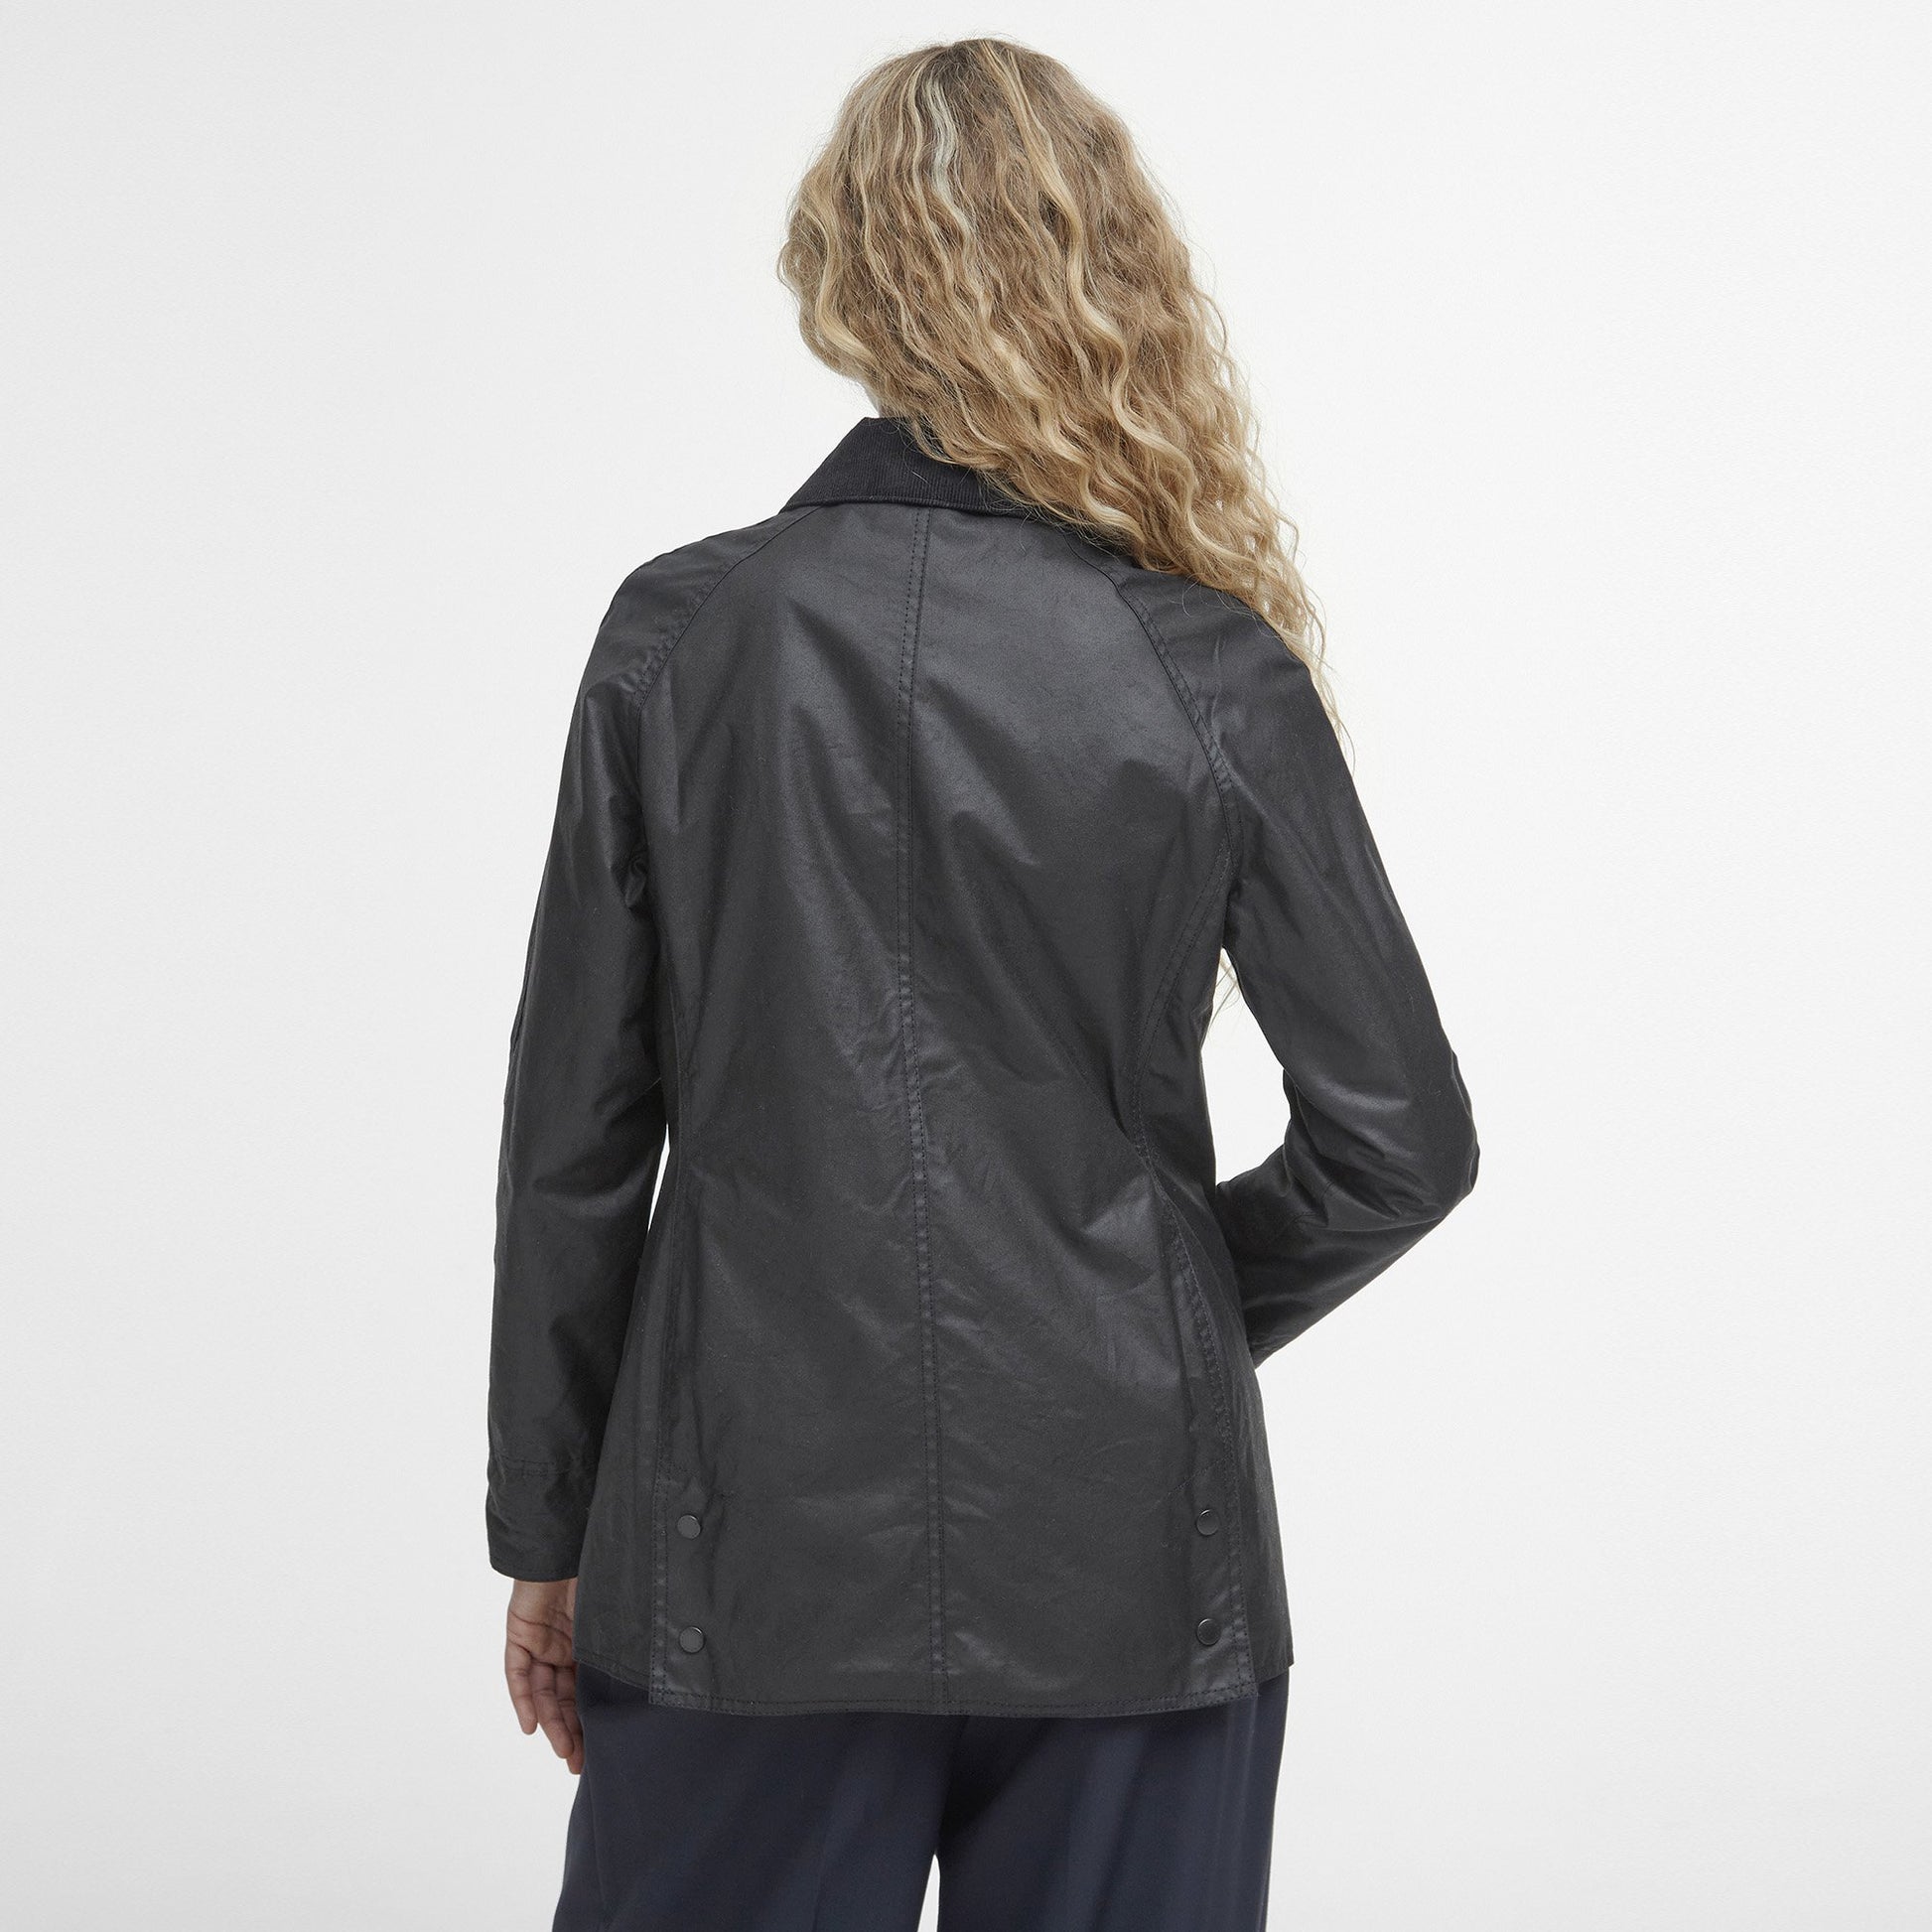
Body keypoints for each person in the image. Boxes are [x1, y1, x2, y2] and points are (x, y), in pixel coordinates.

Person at [486, 37, 1478, 1932]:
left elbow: (575, 1139)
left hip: (739, 1539)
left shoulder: (680, 635)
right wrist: (1132, 1326)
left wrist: (549, 1524)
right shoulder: (1208, 665)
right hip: (1132, 1553)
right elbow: (1400, 1144)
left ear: (839, 280)